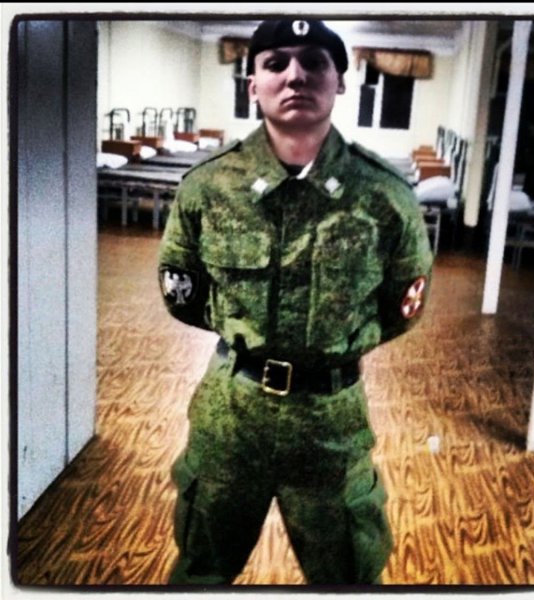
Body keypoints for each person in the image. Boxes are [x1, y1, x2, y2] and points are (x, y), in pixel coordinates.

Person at [158, 19, 433, 585]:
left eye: (314, 61)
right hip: (231, 416)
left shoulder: (386, 196)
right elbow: (183, 293)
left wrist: (329, 348)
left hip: (330, 422)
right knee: (202, 570)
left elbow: (401, 307)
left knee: (349, 576)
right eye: (276, 62)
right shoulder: (208, 187)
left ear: (340, 82)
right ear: (252, 83)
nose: (295, 75)